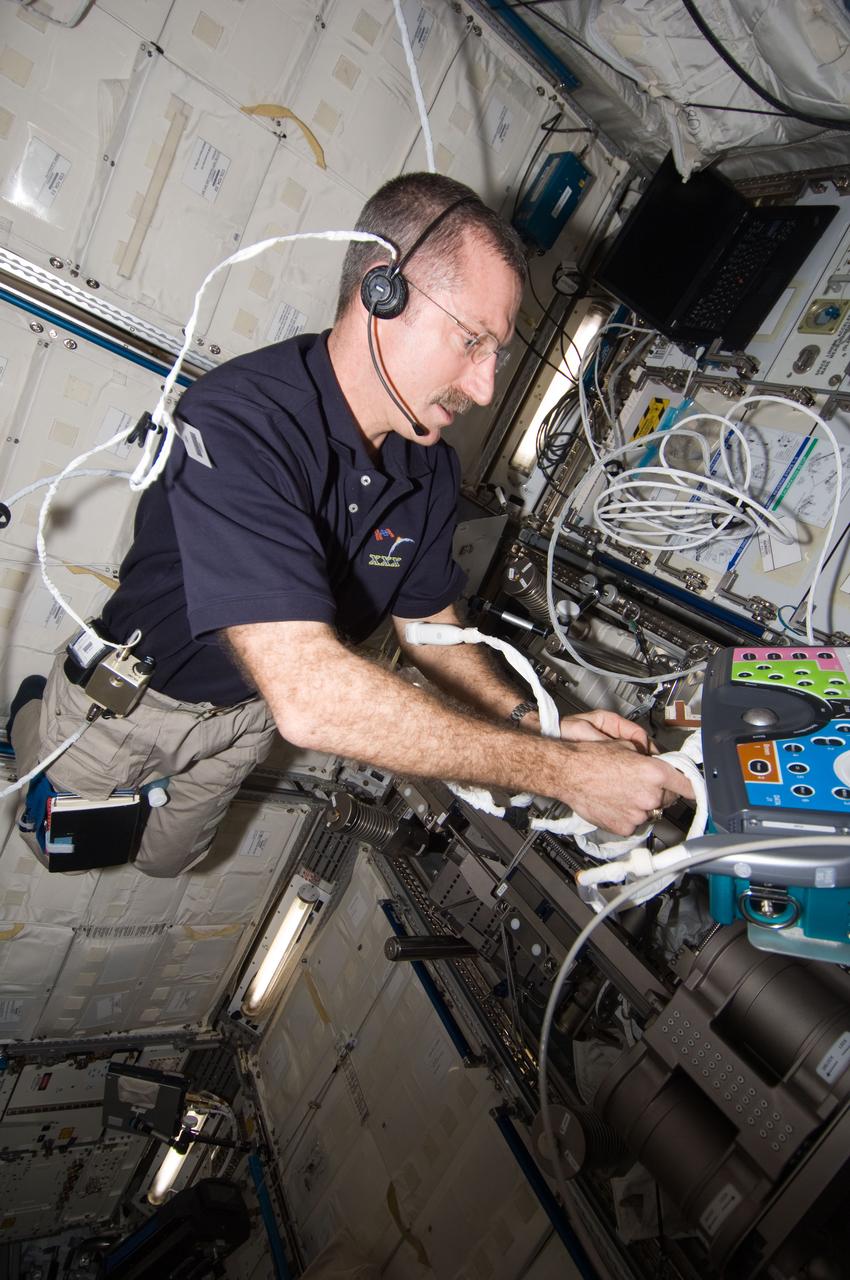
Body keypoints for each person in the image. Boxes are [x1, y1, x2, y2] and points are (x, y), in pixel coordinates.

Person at [9, 172, 693, 877]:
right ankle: (35, 717)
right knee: (57, 847)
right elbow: (310, 695)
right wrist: (563, 773)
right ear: (381, 292)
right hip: (141, 702)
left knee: (168, 861)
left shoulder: (428, 467)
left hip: (249, 714)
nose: (485, 387)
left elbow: (431, 627)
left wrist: (535, 724)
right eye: (470, 341)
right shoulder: (238, 422)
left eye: (499, 356)